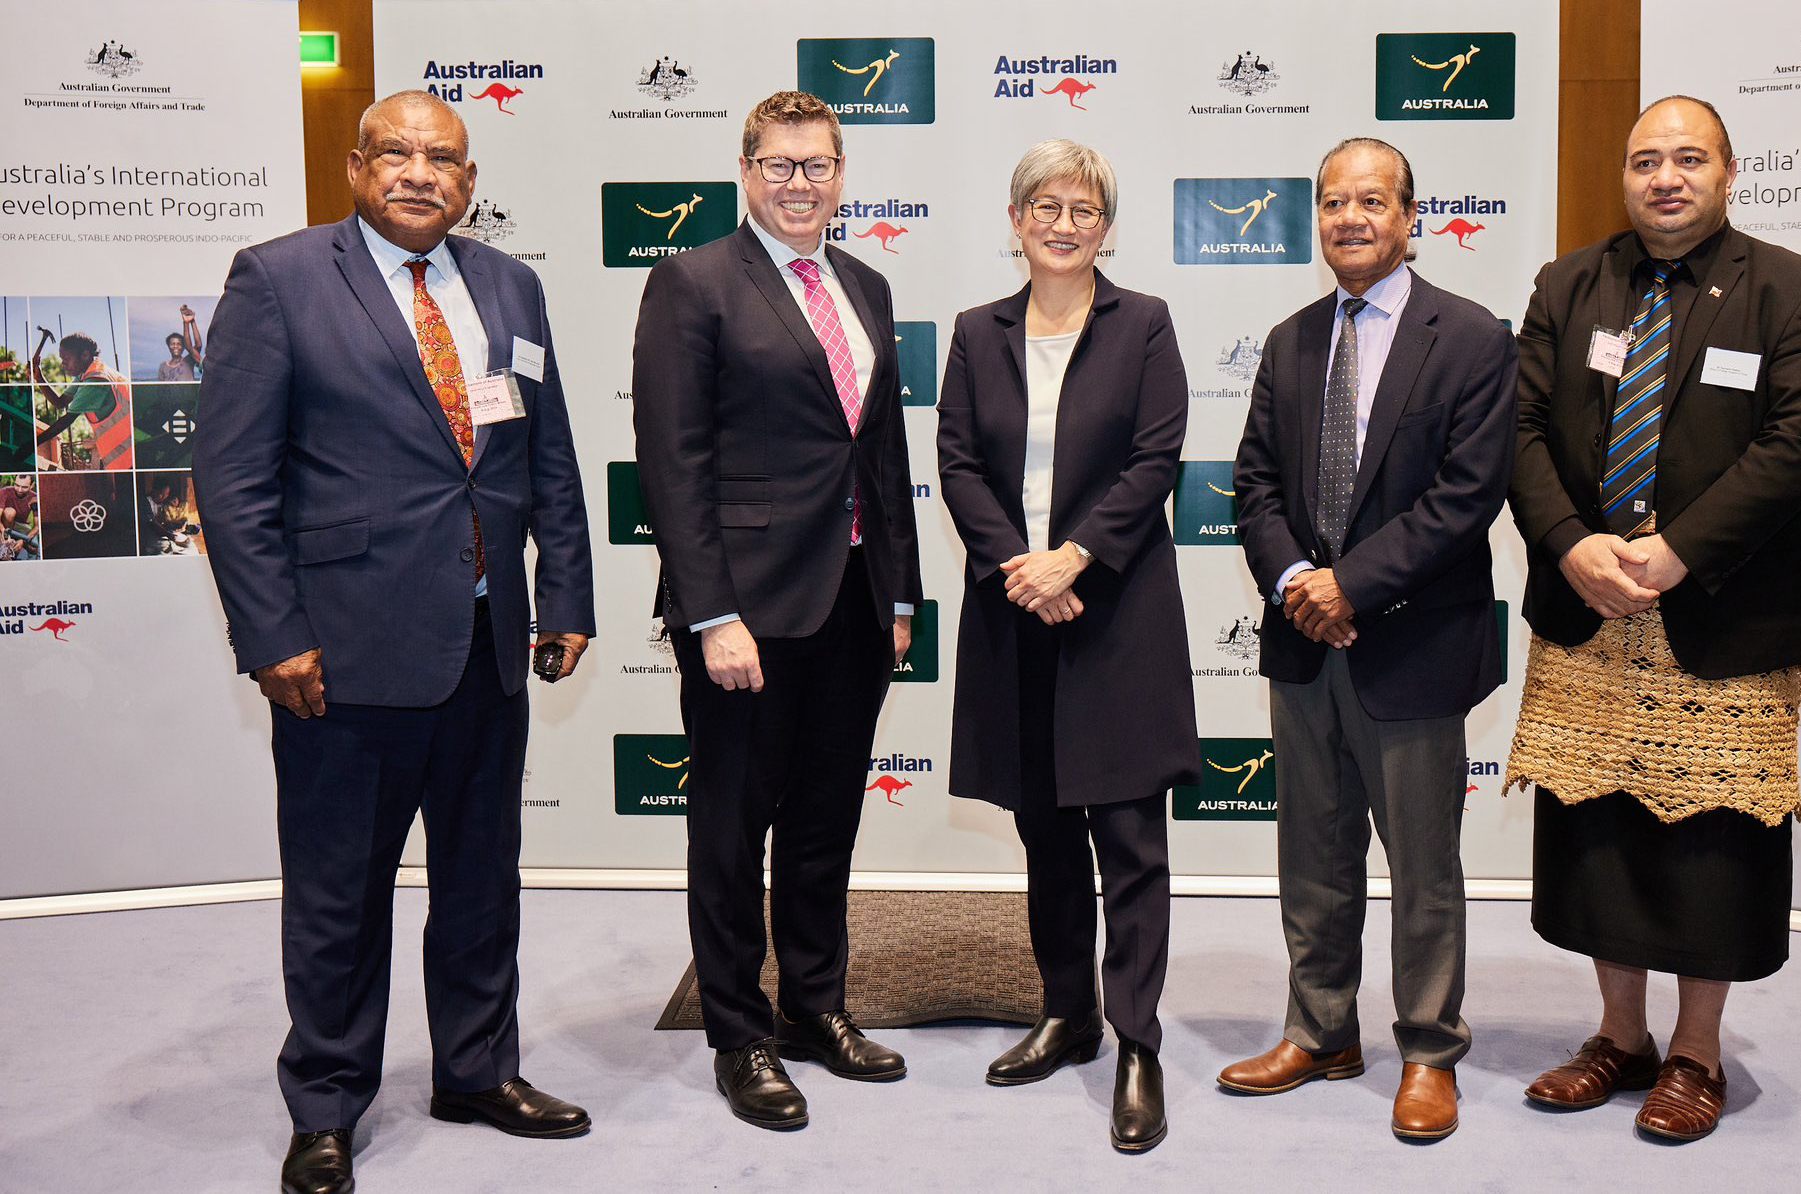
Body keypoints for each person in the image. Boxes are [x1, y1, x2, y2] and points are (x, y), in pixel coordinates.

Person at [192, 90, 597, 1194]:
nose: (421, 174)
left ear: (471, 181)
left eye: (445, 159)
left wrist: (565, 592)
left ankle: (475, 1070)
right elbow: (231, 485)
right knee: (339, 894)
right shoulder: (276, 279)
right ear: (357, 164)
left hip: (485, 642)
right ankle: (325, 1104)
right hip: (342, 652)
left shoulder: (512, 284)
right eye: (399, 154)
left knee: (481, 881)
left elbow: (544, 456)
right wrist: (272, 634)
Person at [1505, 95, 1801, 1142]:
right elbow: (1517, 429)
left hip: (1725, 611)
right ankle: (1620, 1038)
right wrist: (1572, 542)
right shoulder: (1569, 285)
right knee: (1599, 833)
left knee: (1711, 844)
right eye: (1646, 159)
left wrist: (1678, 549)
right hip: (1591, 604)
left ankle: (1696, 1054)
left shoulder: (1794, 288)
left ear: (1728, 172)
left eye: (1688, 158)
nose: (1665, 177)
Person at [631, 90, 922, 1131]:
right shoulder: (692, 282)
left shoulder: (867, 286)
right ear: (746, 171)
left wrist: (897, 592)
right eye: (780, 165)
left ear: (843, 175)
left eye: (819, 165)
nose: (801, 183)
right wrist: (712, 614)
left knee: (823, 822)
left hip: (849, 604)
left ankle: (815, 1006)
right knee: (728, 828)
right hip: (745, 612)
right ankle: (739, 1036)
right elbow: (673, 462)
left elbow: (878, 456)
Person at [1223, 136, 1517, 1141]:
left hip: (1415, 646)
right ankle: (1323, 1031)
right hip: (1306, 642)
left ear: (1409, 215)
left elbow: (1465, 499)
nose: (1350, 219)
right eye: (1333, 203)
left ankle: (1430, 1048)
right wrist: (1302, 581)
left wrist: (1355, 584)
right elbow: (1255, 482)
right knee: (1312, 853)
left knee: (1423, 865)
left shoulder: (1472, 337)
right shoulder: (1292, 339)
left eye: (1371, 201)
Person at [936, 139, 1196, 1153]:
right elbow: (957, 460)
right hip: (1015, 611)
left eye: (1083, 210)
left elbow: (1156, 457)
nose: (1062, 223)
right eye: (1044, 206)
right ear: (1015, 221)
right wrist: (1020, 568)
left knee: (1131, 841)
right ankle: (1067, 1011)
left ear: (1106, 228)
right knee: (1044, 831)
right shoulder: (975, 332)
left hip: (1116, 612)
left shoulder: (1146, 326)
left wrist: (1074, 560)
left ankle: (1136, 1039)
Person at [30, 330, 132, 470]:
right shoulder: (87, 374)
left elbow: (66, 420)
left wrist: (32, 444)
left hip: (130, 453)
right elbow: (60, 403)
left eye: (66, 359)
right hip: (126, 454)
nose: (62, 364)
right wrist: (39, 378)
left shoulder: (96, 380)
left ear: (85, 355)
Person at [155, 304, 205, 380]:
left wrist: (189, 322)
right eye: (173, 344)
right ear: (168, 346)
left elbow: (198, 345)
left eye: (179, 344)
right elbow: (161, 388)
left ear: (183, 346)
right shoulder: (163, 366)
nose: (176, 346)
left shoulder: (188, 361)